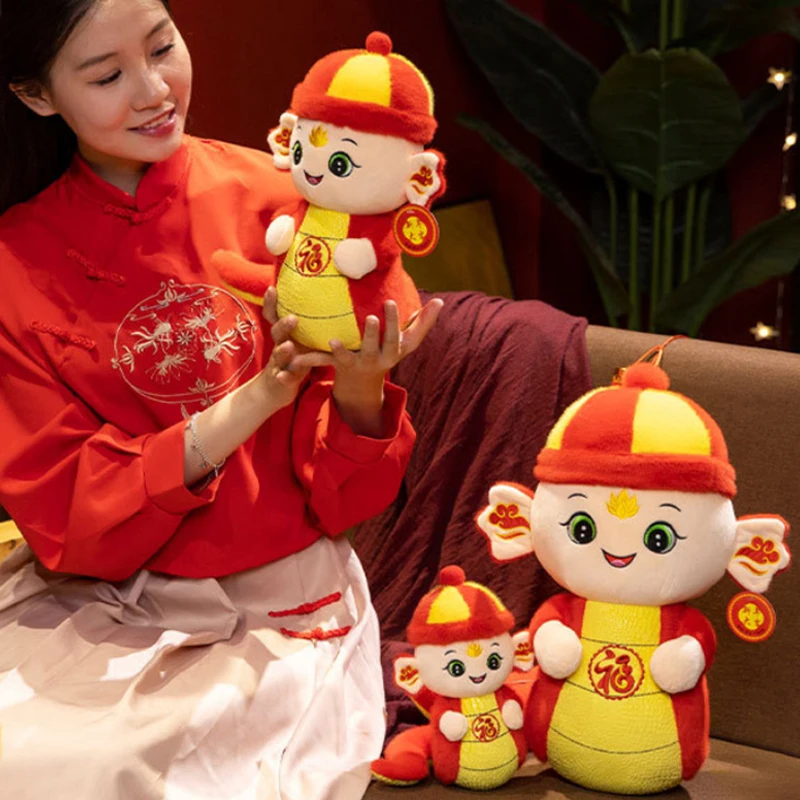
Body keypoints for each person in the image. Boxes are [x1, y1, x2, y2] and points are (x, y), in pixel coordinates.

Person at [0, 1, 442, 798]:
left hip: (276, 605)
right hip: (96, 600)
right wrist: (251, 403)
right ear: (35, 95)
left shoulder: (299, 201)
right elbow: (63, 506)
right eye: (106, 75)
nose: (154, 90)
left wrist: (359, 384)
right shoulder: (15, 260)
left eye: (162, 46)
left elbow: (348, 499)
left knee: (111, 771)